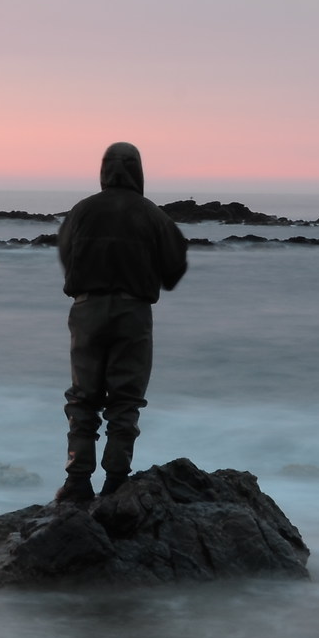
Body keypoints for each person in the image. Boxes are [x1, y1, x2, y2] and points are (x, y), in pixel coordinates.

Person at [53, 142, 190, 505]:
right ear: (138, 171)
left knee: (83, 398)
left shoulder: (82, 211)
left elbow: (66, 253)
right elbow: (175, 265)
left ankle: (77, 481)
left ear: (103, 170)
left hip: (87, 310)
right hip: (133, 313)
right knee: (125, 400)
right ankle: (116, 481)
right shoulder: (152, 214)